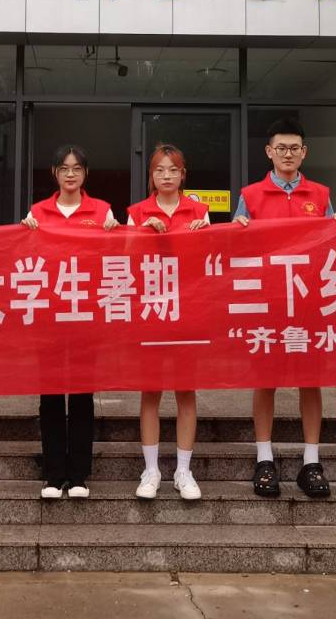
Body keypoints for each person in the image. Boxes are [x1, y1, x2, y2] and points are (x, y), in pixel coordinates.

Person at [232, 117, 336, 500]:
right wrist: (238, 229)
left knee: (311, 379)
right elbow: (237, 247)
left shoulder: (321, 195)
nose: (288, 154)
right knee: (266, 379)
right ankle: (264, 458)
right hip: (268, 301)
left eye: (294, 148)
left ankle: (311, 461)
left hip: (308, 302)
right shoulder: (250, 195)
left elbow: (333, 244)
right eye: (281, 148)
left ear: (304, 152)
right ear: (269, 152)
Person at [23, 144, 119, 499]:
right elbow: (26, 259)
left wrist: (115, 234)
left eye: (77, 168)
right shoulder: (38, 212)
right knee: (50, 395)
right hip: (49, 315)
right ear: (54, 173)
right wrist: (25, 234)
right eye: (64, 168)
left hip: (85, 316)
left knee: (81, 394)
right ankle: (53, 475)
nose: (70, 174)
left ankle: (78, 474)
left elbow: (115, 259)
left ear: (85, 174)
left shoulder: (102, 210)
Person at [127, 143, 211, 501]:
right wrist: (143, 233)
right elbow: (123, 261)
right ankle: (151, 471)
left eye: (172, 170)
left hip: (187, 311)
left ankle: (183, 470)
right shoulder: (137, 212)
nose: (166, 176)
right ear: (151, 175)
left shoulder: (199, 211)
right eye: (159, 170)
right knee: (150, 391)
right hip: (151, 312)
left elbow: (209, 261)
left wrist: (202, 236)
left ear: (182, 174)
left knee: (185, 391)